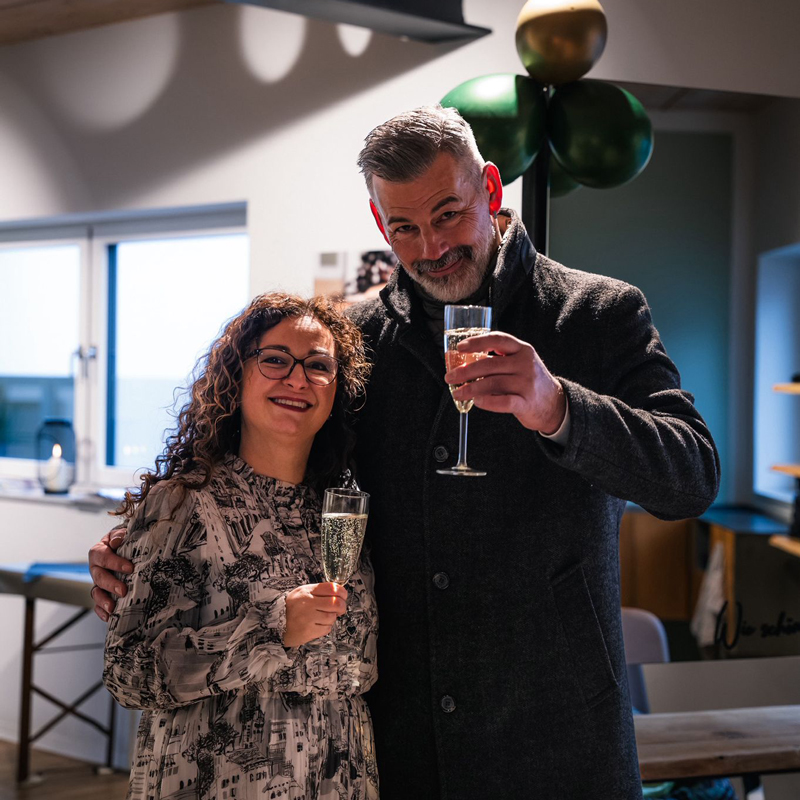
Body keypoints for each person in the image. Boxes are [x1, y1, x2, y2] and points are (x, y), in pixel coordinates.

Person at [91, 106, 720, 799]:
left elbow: (692, 475)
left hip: (558, 735)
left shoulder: (598, 313)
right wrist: (146, 548)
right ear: (378, 221)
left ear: (490, 188)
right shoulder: (357, 340)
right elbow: (283, 478)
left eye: (449, 214)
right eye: (405, 228)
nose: (432, 247)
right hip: (398, 745)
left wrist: (559, 406)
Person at [101, 293, 378, 800]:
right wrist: (270, 630)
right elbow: (127, 672)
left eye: (318, 365)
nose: (297, 379)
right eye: (275, 359)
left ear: (337, 388)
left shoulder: (340, 512)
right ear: (237, 374)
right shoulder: (182, 503)